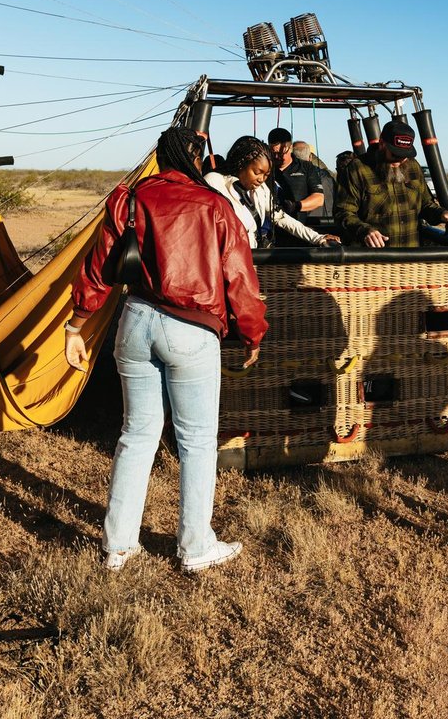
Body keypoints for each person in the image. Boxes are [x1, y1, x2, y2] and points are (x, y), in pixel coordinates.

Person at [64, 127, 268, 575]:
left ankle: (117, 544)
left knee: (136, 435)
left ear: (162, 156)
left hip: (135, 320)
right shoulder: (215, 206)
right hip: (192, 329)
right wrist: (252, 334)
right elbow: (239, 278)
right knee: (195, 442)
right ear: (198, 159)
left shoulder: (130, 198)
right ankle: (195, 546)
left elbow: (99, 267)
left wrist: (75, 325)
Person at [335, 119, 448, 247]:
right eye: (395, 155)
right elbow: (343, 212)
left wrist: (442, 214)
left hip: (410, 256)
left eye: (403, 156)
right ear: (382, 144)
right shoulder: (358, 169)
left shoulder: (413, 166)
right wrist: (364, 230)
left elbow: (426, 204)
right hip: (373, 258)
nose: (399, 161)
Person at [205, 136, 339, 248]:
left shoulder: (261, 190)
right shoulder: (215, 182)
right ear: (242, 164)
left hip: (250, 260)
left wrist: (318, 238)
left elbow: (281, 218)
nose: (261, 179)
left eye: (266, 175)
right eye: (257, 173)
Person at [266, 128, 326, 234]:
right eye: (273, 153)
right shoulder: (265, 168)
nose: (276, 157)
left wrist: (295, 206)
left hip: (299, 231)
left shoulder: (306, 167)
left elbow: (319, 198)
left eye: (280, 153)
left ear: (290, 148)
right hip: (271, 232)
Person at [292, 140, 335, 222]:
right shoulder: (328, 176)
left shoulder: (289, 176)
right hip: (329, 223)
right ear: (310, 157)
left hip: (302, 226)